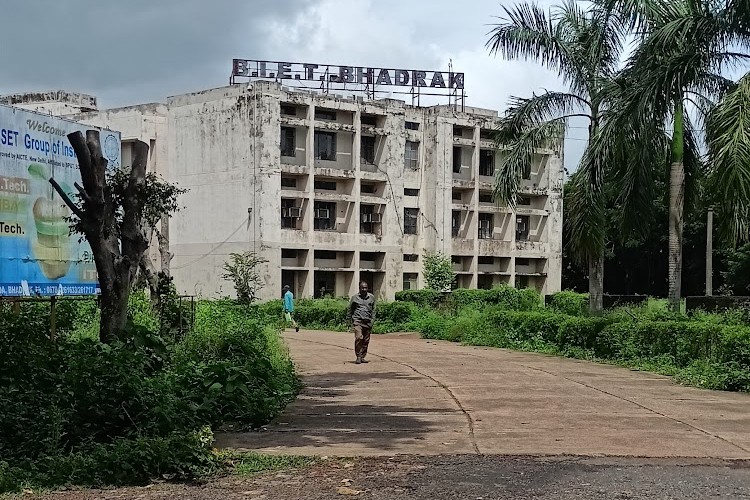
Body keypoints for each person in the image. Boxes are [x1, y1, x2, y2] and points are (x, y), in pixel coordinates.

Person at [347, 281, 375, 364]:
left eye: (366, 287)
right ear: (359, 288)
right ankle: (358, 356)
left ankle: (363, 356)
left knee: (366, 340)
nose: (364, 289)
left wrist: (372, 321)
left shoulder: (371, 297)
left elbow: (374, 310)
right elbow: (350, 309)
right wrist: (349, 321)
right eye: (362, 288)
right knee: (359, 338)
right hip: (358, 321)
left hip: (368, 321)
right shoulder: (354, 298)